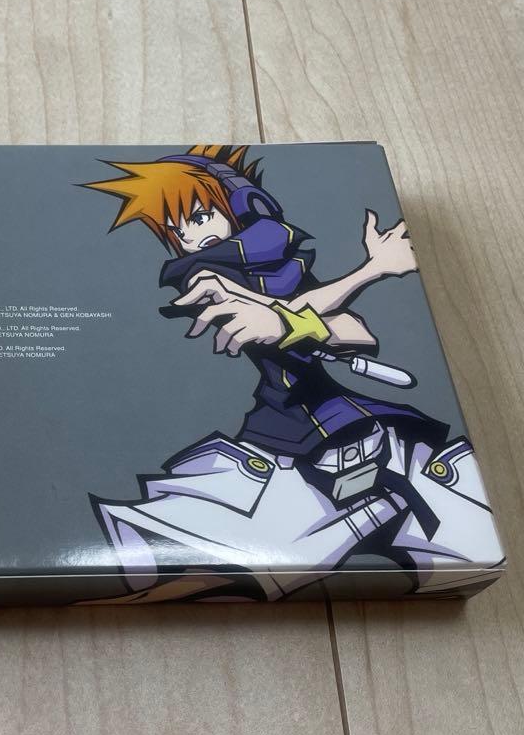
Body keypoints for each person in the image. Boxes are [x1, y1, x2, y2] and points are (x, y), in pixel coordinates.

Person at [82, 145, 503, 601]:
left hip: (365, 431)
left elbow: (356, 332)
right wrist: (369, 272)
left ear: (242, 206)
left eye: (200, 216)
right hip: (284, 440)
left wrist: (292, 320)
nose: (190, 235)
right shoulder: (203, 278)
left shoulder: (276, 269)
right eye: (176, 229)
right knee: (201, 561)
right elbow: (298, 316)